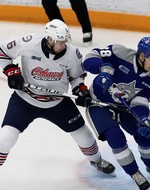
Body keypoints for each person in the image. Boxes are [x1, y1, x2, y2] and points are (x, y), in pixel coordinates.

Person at [0, 19, 115, 176]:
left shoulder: (72, 53)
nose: (63, 45)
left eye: (64, 41)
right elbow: (2, 51)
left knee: (85, 136)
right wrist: (11, 71)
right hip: (25, 100)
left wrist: (80, 90)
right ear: (49, 39)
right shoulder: (29, 43)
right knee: (5, 138)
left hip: (57, 102)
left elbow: (77, 77)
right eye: (59, 42)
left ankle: (96, 160)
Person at [83, 36, 150, 190]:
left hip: (125, 108)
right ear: (142, 55)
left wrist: (143, 117)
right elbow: (90, 59)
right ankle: (134, 172)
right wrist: (103, 69)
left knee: (145, 134)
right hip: (98, 103)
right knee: (115, 136)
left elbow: (141, 100)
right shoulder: (119, 53)